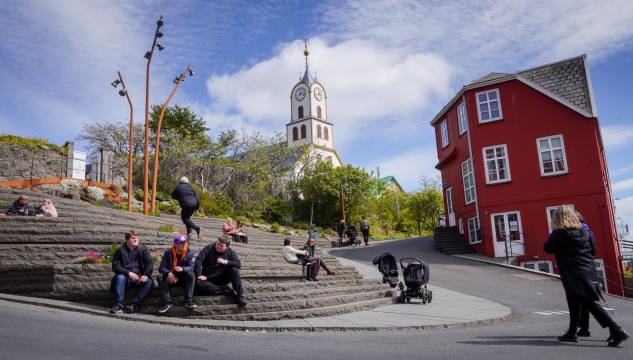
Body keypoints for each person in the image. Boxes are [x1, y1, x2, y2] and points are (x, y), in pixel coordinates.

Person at [544, 205, 629, 346]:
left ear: (556, 219)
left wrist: (554, 233)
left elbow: (547, 248)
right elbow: (593, 250)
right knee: (573, 300)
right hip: (588, 269)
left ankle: (616, 329)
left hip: (572, 271)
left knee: (588, 301)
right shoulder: (584, 232)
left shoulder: (559, 234)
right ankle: (571, 332)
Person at [109, 230, 154, 314]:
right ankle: (119, 305)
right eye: (133, 238)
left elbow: (150, 263)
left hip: (140, 277)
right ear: (127, 239)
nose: (135, 240)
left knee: (149, 282)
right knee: (119, 277)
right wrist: (128, 273)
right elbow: (115, 266)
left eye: (137, 238)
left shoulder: (143, 250)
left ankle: (134, 305)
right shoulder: (120, 251)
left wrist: (146, 275)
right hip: (127, 278)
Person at [194, 235, 246, 306]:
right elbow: (198, 260)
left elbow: (238, 264)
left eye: (222, 246)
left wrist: (225, 262)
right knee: (197, 281)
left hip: (222, 276)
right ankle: (224, 290)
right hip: (208, 277)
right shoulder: (208, 248)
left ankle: (240, 296)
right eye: (218, 244)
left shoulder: (231, 252)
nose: (219, 246)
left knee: (234, 270)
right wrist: (199, 274)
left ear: (226, 247)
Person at [157, 235, 197, 313]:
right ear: (175, 244)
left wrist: (183, 269)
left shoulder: (190, 252)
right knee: (160, 276)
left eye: (184, 242)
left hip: (182, 278)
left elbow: (191, 267)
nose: (183, 245)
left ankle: (188, 300)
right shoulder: (168, 252)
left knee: (191, 275)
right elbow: (161, 267)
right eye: (181, 243)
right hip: (171, 278)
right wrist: (169, 273)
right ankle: (167, 302)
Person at [574, 211, 595, 338]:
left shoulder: (574, 233)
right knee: (585, 299)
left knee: (582, 299)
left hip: (578, 268)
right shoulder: (589, 233)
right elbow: (593, 250)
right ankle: (582, 328)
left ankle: (613, 328)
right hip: (589, 267)